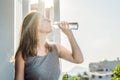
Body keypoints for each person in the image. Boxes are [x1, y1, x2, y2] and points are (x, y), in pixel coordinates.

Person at [14, 11, 84, 80]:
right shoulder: (22, 54)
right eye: (44, 19)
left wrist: (69, 34)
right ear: (35, 27)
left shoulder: (56, 48)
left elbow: (78, 59)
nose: (49, 20)